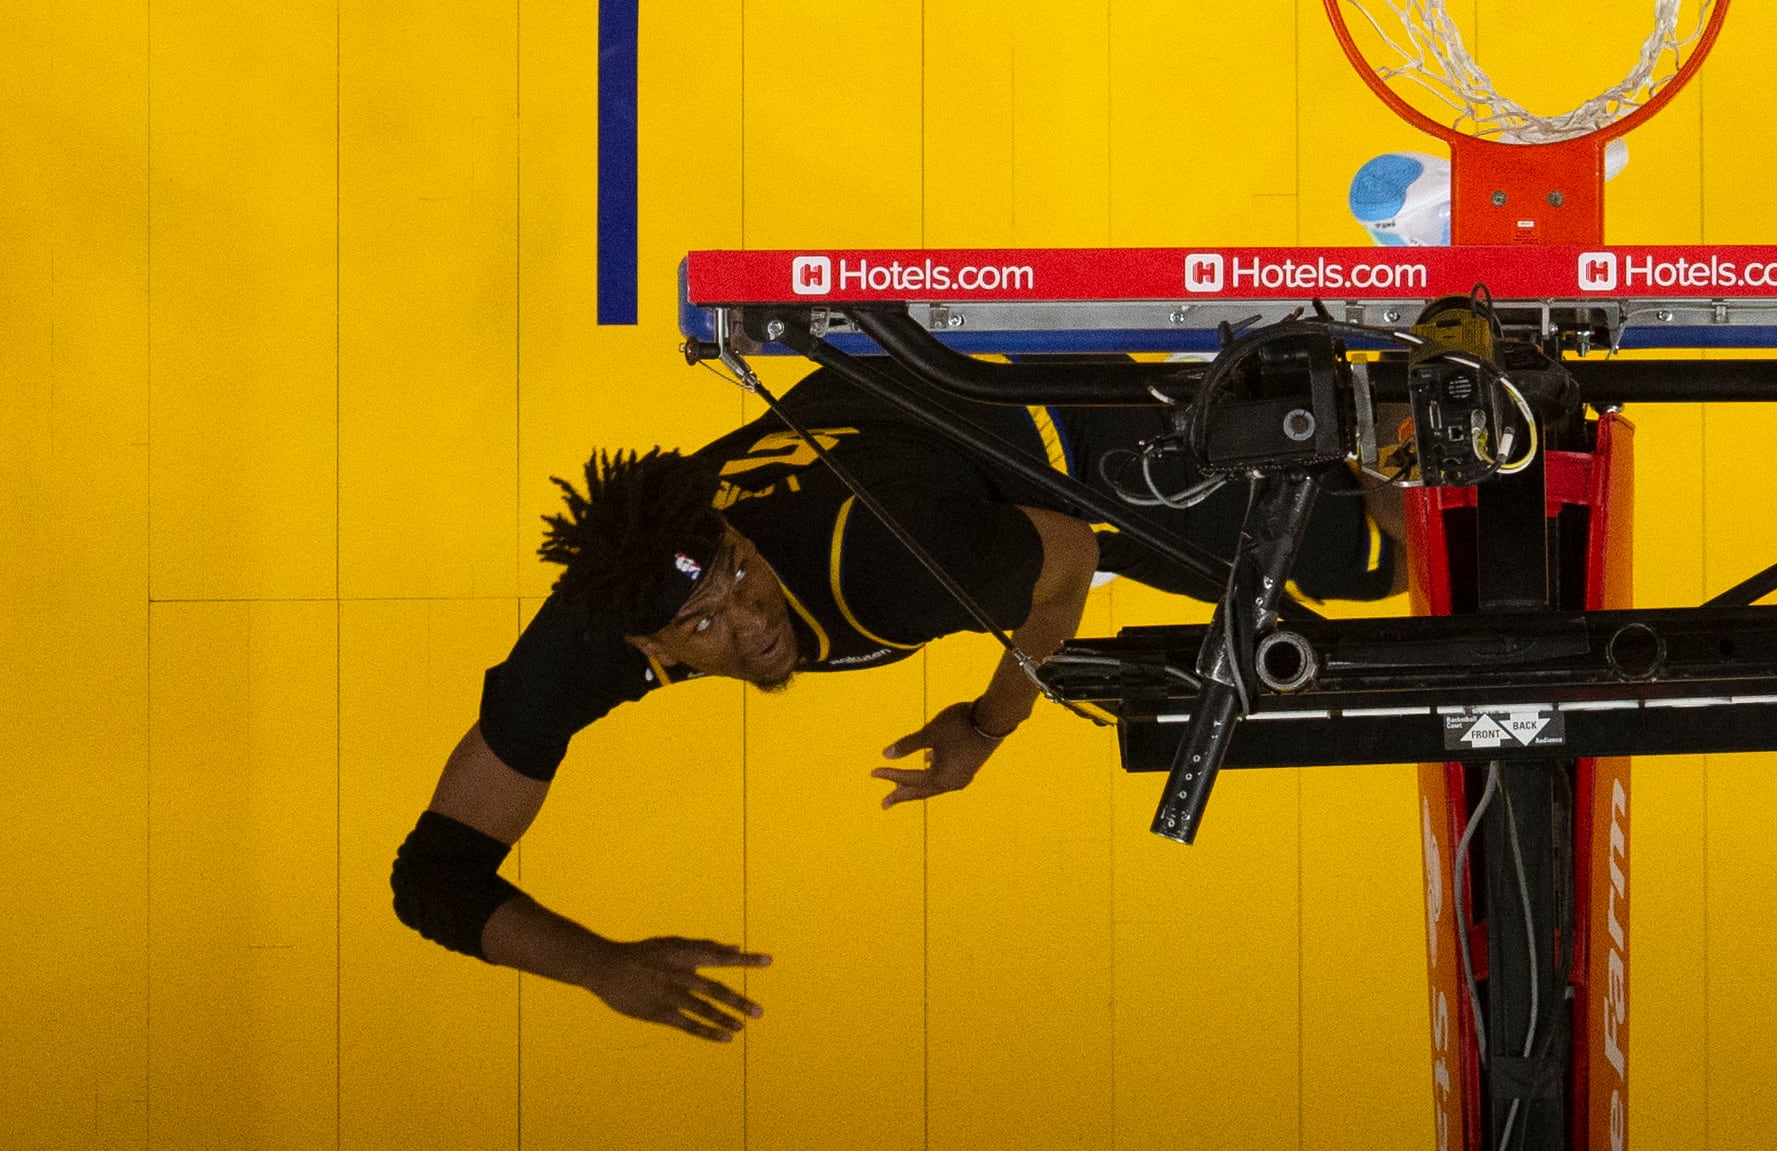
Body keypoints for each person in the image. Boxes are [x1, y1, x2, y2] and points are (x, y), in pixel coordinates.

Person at [387, 370, 1400, 1041]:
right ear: (641, 649)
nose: (748, 620)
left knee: (1378, 557)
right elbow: (432, 878)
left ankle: (1423, 357)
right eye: (702, 627)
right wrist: (597, 965)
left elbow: (1072, 563)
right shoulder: (581, 640)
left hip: (1057, 447)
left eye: (737, 574)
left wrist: (987, 723)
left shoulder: (882, 570)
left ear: (732, 531)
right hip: (905, 436)